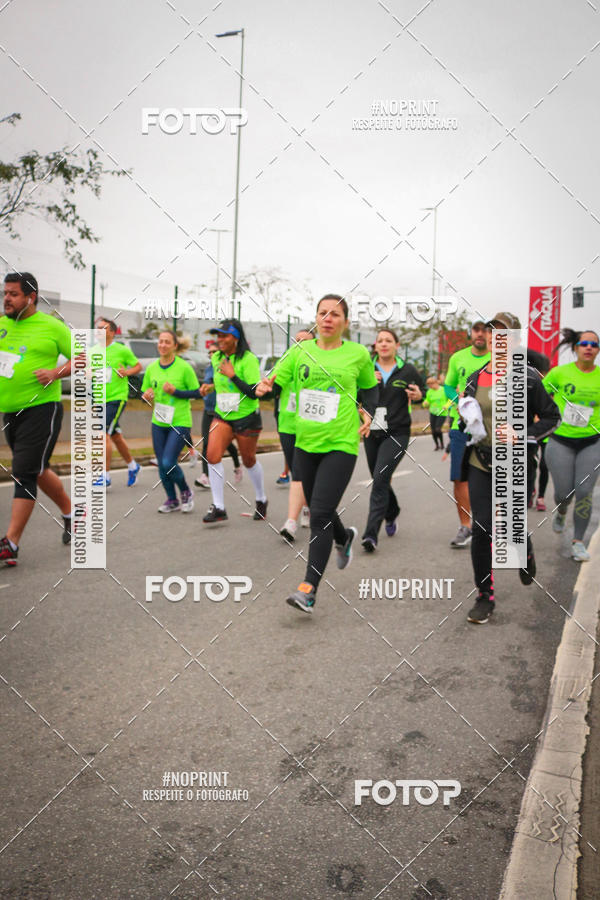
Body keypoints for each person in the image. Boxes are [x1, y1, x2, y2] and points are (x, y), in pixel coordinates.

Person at [257, 294, 377, 612]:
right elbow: (276, 381)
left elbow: (370, 387)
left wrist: (369, 411)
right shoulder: (300, 351)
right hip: (305, 443)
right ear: (316, 318)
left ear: (345, 322)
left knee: (320, 514)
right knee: (319, 506)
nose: (327, 318)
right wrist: (265, 387)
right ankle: (344, 537)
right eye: (323, 313)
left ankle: (308, 589)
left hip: (341, 443)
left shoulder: (358, 354)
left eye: (335, 314)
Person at [460, 312, 560, 624]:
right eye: (492, 333)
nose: (496, 339)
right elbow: (468, 416)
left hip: (515, 462)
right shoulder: (475, 378)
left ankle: (524, 548)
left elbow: (552, 417)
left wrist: (523, 433)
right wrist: (466, 418)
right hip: (480, 460)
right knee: (482, 527)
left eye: (503, 334)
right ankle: (484, 596)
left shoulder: (529, 377)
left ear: (515, 341)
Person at [0, 272, 73, 565]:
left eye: (13, 294)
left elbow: (86, 358)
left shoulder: (52, 326)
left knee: (24, 472)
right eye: (5, 293)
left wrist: (56, 372)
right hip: (10, 412)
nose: (6, 299)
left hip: (42, 409)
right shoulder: (2, 325)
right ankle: (72, 513)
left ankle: (11, 543)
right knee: (37, 469)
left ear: (31, 297)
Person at [360, 328, 424, 552]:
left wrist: (419, 396)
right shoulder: (366, 368)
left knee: (379, 479)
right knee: (380, 478)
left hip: (397, 432)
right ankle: (393, 510)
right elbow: (354, 395)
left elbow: (422, 392)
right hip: (372, 431)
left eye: (389, 340)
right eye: (380, 341)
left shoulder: (408, 370)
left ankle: (370, 535)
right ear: (375, 346)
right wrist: (365, 385)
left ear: (397, 345)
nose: (384, 344)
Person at [201, 320, 267, 524]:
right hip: (223, 415)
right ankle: (219, 507)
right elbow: (219, 382)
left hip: (247, 417)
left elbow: (253, 392)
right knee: (212, 456)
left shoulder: (248, 359)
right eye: (218, 335)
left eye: (224, 335)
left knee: (248, 460)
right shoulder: (217, 358)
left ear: (236, 338)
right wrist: (209, 386)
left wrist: (233, 375)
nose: (219, 339)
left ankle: (261, 498)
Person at [542, 328, 600, 561]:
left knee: (584, 491)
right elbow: (539, 396)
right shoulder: (559, 373)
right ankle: (562, 509)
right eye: (584, 344)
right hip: (560, 439)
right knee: (564, 493)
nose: (589, 348)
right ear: (575, 347)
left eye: (594, 345)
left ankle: (578, 542)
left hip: (592, 442)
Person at [443, 319, 490, 548]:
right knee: (460, 478)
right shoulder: (457, 358)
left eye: (485, 331)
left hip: (490, 427)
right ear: (471, 333)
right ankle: (466, 526)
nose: (480, 334)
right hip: (461, 426)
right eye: (476, 330)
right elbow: (448, 386)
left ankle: (491, 526)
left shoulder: (497, 358)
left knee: (493, 477)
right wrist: (459, 401)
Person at [141, 331, 198, 513]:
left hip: (180, 421)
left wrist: (176, 392)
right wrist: (146, 397)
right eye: (161, 342)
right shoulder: (152, 368)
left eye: (167, 342)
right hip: (159, 422)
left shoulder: (184, 367)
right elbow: (145, 393)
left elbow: (197, 392)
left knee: (168, 462)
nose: (163, 345)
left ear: (175, 345)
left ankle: (186, 491)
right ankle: (172, 500)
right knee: (161, 464)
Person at [273, 328, 314, 541]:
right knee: (295, 467)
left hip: (309, 426)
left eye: (305, 342)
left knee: (300, 471)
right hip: (287, 424)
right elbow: (272, 386)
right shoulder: (285, 362)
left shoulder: (317, 365)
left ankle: (293, 520)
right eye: (297, 341)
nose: (300, 345)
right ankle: (305, 506)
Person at [92, 318, 142, 488]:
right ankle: (133, 466)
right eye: (97, 328)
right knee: (115, 436)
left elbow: (138, 366)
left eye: (103, 328)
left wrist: (126, 372)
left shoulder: (121, 350)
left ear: (112, 332)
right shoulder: (92, 351)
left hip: (116, 398)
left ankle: (105, 476)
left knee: (103, 434)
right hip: (99, 399)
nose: (98, 330)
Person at [194, 341, 242, 490]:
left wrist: (212, 387)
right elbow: (207, 385)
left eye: (214, 351)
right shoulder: (209, 368)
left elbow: (223, 385)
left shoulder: (226, 367)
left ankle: (237, 465)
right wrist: (203, 389)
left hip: (221, 411)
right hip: (208, 409)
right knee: (206, 442)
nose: (211, 354)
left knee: (226, 444)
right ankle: (205, 476)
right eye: (209, 352)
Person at [423, 374, 447, 450]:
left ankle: (442, 444)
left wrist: (446, 405)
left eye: (431, 384)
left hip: (442, 413)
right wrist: (425, 403)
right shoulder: (429, 392)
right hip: (433, 413)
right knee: (433, 431)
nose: (430, 387)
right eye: (428, 385)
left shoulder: (444, 390)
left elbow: (451, 399)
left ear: (435, 383)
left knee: (438, 429)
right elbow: (427, 400)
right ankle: (437, 445)